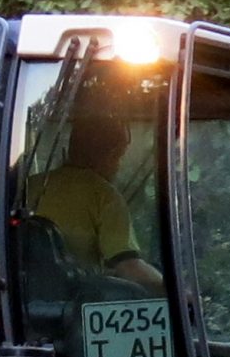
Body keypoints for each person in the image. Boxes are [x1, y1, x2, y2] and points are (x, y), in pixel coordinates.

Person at [29, 76, 164, 292]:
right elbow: (128, 266)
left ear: (72, 147)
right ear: (110, 155)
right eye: (119, 158)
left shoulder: (28, 186)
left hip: (18, 304)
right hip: (73, 308)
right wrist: (177, 294)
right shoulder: (104, 196)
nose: (118, 166)